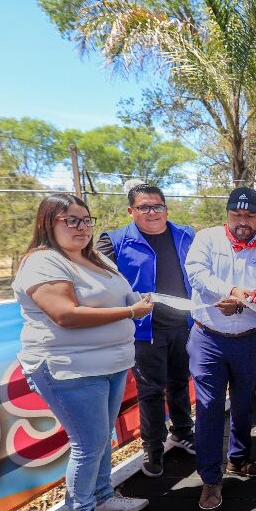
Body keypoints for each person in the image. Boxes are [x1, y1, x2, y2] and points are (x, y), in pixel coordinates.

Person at [13, 194, 154, 511]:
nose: (82, 227)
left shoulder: (96, 258)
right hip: (69, 368)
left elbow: (119, 297)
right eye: (71, 220)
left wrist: (139, 303)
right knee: (88, 444)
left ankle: (103, 496)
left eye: (86, 220)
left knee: (101, 436)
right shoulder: (42, 263)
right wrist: (130, 314)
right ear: (49, 223)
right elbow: (66, 314)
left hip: (111, 363)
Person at [184, 187, 256, 511]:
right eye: (236, 215)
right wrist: (227, 291)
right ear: (227, 214)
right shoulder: (207, 238)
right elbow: (197, 273)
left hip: (248, 338)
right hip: (208, 339)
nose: (243, 222)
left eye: (250, 216)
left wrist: (252, 297)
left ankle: (238, 460)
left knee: (243, 405)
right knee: (210, 408)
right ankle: (210, 479)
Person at [97, 183, 196, 478]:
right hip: (144, 331)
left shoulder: (186, 235)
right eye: (144, 207)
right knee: (150, 391)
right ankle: (153, 448)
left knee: (180, 382)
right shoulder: (113, 242)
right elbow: (99, 285)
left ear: (166, 208)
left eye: (157, 206)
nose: (152, 212)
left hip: (183, 325)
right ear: (131, 211)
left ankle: (182, 432)